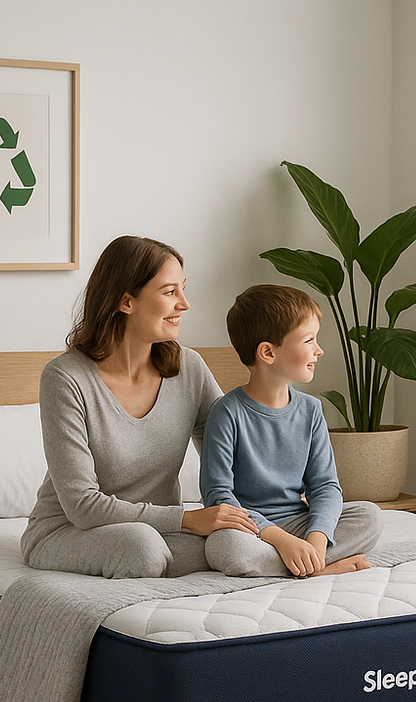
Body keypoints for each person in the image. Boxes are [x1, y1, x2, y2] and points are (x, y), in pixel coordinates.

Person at [22, 235, 257, 579]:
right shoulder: (65, 378)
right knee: (143, 549)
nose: (184, 304)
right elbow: (83, 506)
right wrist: (187, 519)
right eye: (170, 292)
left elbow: (232, 456)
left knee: (234, 545)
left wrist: (289, 500)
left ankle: (319, 564)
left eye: (183, 289)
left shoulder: (189, 368)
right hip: (69, 532)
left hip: (163, 533)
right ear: (126, 301)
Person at [201, 284, 382, 577]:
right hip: (250, 529)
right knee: (224, 547)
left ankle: (306, 563)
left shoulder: (311, 409)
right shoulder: (226, 412)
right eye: (308, 340)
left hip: (299, 523)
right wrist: (280, 540)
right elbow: (218, 496)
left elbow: (325, 486)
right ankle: (317, 568)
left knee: (369, 516)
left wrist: (317, 540)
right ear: (267, 352)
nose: (319, 350)